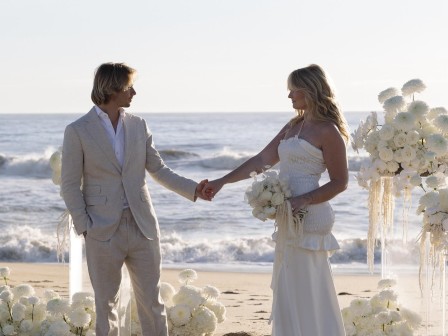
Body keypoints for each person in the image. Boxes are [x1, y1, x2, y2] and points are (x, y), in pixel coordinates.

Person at [61, 62, 210, 336]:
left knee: (152, 302)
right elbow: (69, 185)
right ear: (113, 88)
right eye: (130, 87)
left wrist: (194, 189)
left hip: (143, 226)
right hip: (102, 230)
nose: (134, 93)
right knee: (106, 305)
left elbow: (158, 169)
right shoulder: (78, 130)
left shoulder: (139, 125)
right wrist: (85, 226)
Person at [203, 64, 348, 335]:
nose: (290, 97)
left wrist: (303, 200)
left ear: (310, 90)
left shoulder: (328, 131)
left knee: (308, 285)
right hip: (287, 214)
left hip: (311, 215)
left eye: (294, 91)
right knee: (289, 284)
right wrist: (221, 181)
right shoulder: (293, 125)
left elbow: (340, 182)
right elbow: (261, 161)